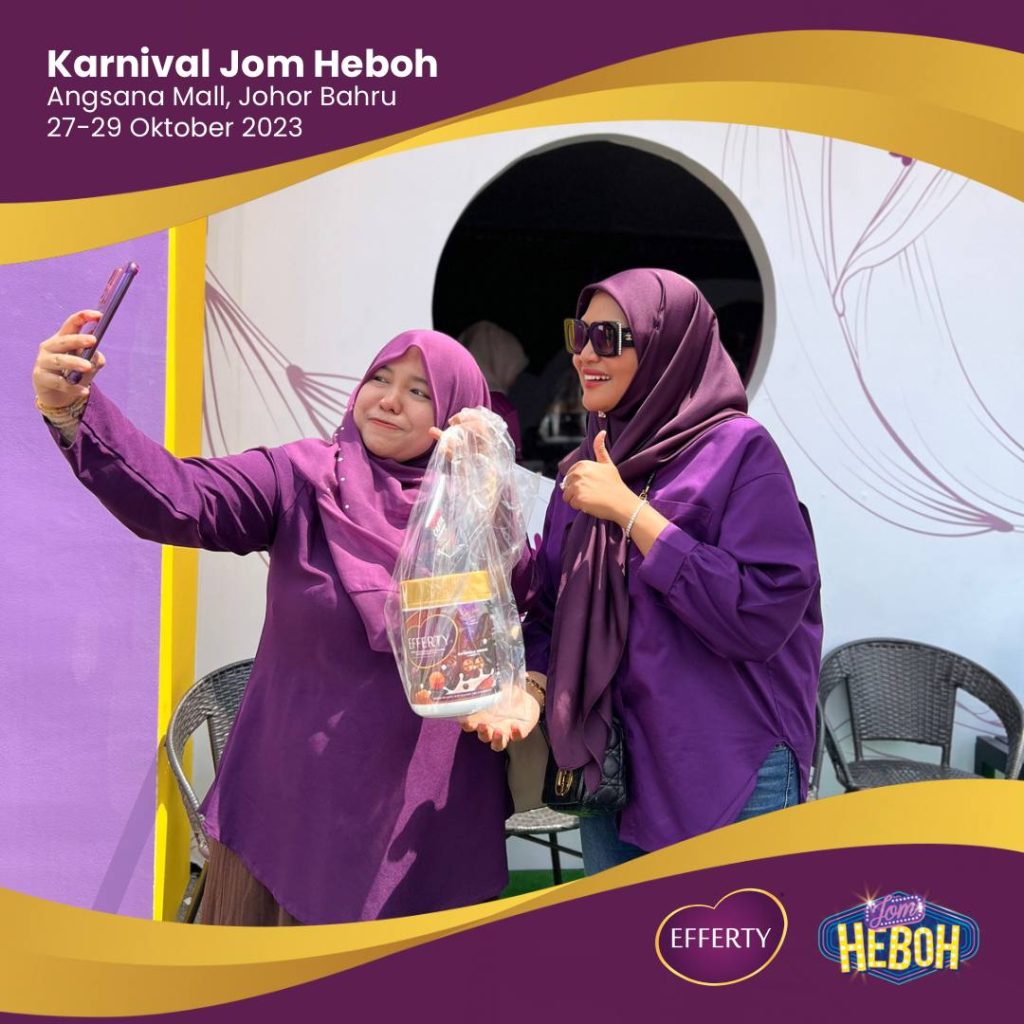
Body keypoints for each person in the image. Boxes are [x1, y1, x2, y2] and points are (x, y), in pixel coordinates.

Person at [32, 312, 532, 923]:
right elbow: (180, 496)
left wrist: (481, 490)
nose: (389, 400)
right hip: (293, 816)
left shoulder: (476, 507)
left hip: (425, 828)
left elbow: (529, 615)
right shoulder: (302, 479)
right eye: (381, 378)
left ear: (455, 413)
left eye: (419, 391)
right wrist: (74, 411)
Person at [469, 268, 823, 874]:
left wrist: (631, 513)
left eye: (609, 337)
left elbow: (761, 611)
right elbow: (552, 608)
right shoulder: (586, 468)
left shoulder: (739, 453)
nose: (585, 354)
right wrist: (531, 686)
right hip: (614, 770)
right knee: (622, 937)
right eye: (579, 333)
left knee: (739, 934)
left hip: (731, 769)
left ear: (670, 346)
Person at [460, 320, 527, 461]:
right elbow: (513, 465)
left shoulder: (449, 400)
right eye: (513, 369)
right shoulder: (501, 407)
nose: (515, 380)